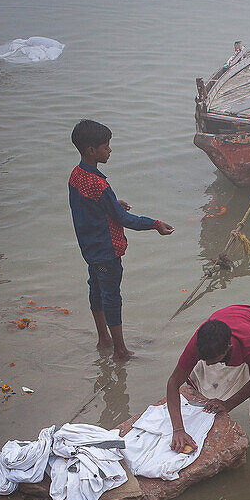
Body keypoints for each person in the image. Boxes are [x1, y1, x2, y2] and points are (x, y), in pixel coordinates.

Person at [68, 119, 174, 360]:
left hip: (89, 247)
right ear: (91, 150)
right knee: (112, 297)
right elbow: (125, 220)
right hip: (107, 249)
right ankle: (120, 350)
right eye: (105, 147)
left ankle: (103, 338)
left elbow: (87, 207)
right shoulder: (98, 183)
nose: (109, 150)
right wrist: (155, 224)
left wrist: (114, 204)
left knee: (96, 290)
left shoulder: (76, 175)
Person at [166, 304, 250, 451]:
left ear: (228, 349)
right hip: (235, 324)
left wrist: (228, 404)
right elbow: (174, 381)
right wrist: (178, 429)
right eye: (205, 360)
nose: (209, 365)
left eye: (214, 361)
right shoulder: (200, 342)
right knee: (195, 379)